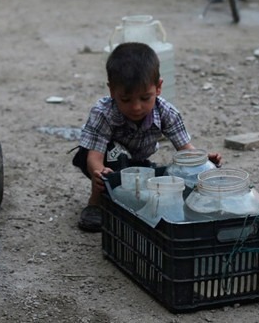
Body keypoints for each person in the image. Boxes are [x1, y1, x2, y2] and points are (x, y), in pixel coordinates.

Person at [72, 42, 223, 232]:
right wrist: (100, 173)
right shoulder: (103, 113)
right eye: (126, 100)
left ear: (158, 88)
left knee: (150, 179)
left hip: (136, 161)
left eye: (145, 98)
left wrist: (202, 161)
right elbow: (94, 156)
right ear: (112, 91)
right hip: (104, 159)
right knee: (114, 163)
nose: (136, 107)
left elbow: (186, 150)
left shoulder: (167, 113)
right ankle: (95, 203)